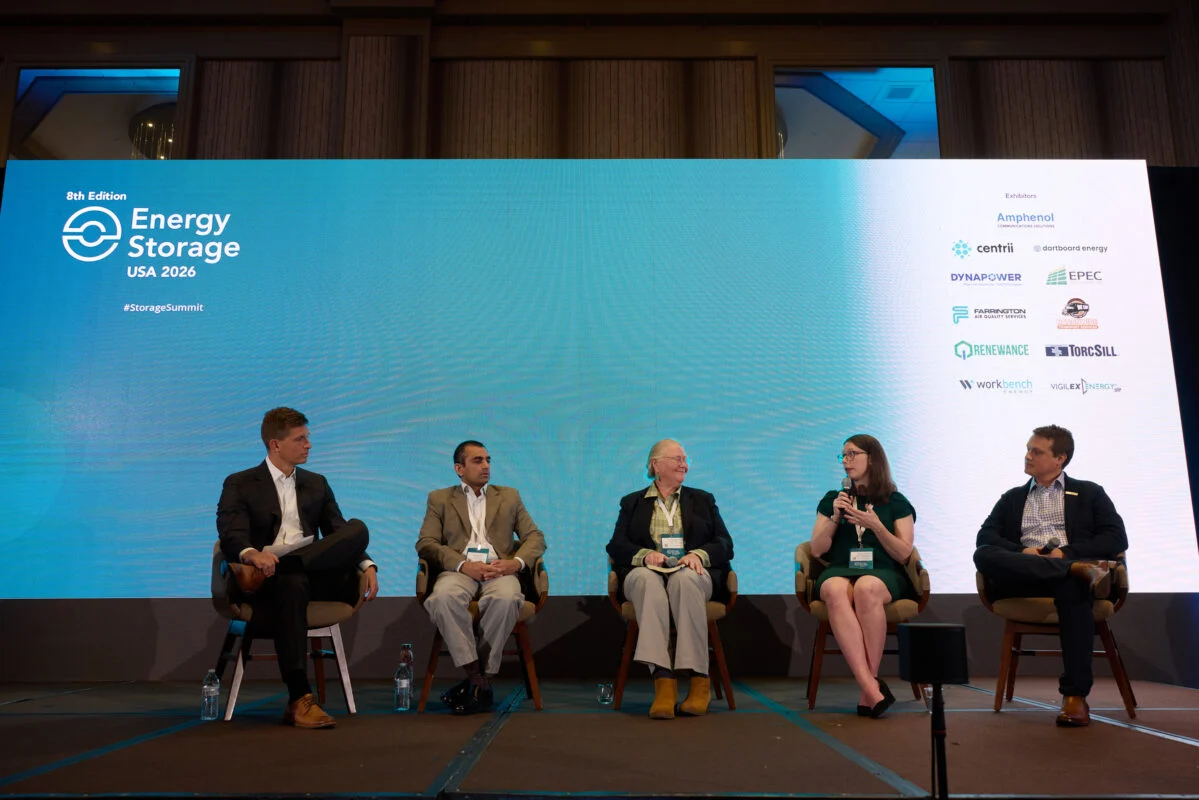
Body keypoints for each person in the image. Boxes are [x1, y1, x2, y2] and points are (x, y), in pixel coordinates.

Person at [216, 407, 378, 729]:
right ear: (275, 444)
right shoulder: (241, 483)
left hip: (313, 573)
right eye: (300, 439)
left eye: (308, 438)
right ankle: (300, 697)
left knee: (357, 528)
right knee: (290, 581)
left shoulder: (316, 483)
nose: (309, 445)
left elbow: (338, 531)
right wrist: (253, 555)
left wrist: (366, 563)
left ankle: (292, 562)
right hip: (267, 579)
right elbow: (231, 535)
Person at [974, 425, 1126, 727]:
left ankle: (1075, 697)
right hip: (1024, 575)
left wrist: (1065, 554)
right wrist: (1022, 551)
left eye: (1037, 451)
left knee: (1071, 587)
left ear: (1060, 458)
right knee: (983, 554)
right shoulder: (1013, 497)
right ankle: (1073, 569)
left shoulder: (1089, 493)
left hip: (1066, 579)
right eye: (1028, 449)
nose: (1028, 456)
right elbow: (985, 537)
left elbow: (1116, 538)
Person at [606, 439, 734, 719]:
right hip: (648, 572)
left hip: (690, 573)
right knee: (645, 580)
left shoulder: (702, 499)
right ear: (656, 465)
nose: (684, 464)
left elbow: (725, 543)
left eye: (685, 459)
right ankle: (663, 681)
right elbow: (616, 545)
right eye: (676, 458)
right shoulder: (632, 502)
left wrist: (699, 554)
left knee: (684, 580)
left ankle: (699, 681)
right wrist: (644, 555)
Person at [416, 440, 546, 715]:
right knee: (442, 597)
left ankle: (476, 680)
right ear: (459, 468)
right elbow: (426, 543)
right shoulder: (439, 498)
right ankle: (479, 678)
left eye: (488, 460)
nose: (486, 465)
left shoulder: (509, 496)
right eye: (477, 460)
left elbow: (535, 537)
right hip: (459, 570)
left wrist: (515, 563)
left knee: (507, 597)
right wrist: (462, 564)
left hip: (499, 569)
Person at [810, 434, 916, 718]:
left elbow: (904, 553)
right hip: (839, 568)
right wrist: (835, 517)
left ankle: (867, 686)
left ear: (873, 457)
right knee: (833, 589)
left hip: (881, 570)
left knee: (866, 589)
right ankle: (870, 685)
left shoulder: (896, 501)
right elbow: (817, 549)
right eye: (843, 456)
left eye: (852, 454)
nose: (846, 461)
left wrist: (877, 526)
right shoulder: (834, 499)